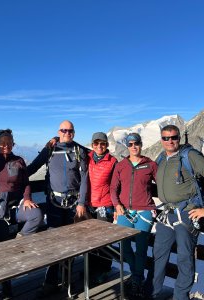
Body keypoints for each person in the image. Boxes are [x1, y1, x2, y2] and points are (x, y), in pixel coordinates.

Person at [27, 120, 88, 297]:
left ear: (74, 133)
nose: (67, 133)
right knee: (53, 242)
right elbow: (33, 167)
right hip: (54, 203)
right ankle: (52, 280)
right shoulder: (50, 148)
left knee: (70, 242)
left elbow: (84, 179)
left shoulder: (79, 151)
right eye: (64, 130)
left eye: (70, 131)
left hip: (73, 205)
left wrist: (82, 203)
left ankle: (66, 279)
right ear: (58, 132)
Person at [0, 129, 43, 298]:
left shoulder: (19, 161)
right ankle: (5, 283)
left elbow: (25, 183)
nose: (6, 146)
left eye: (9, 143)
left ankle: (19, 242)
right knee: (1, 246)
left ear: (13, 144)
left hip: (16, 205)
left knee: (36, 215)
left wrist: (28, 198)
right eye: (2, 143)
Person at [148, 125, 204, 300]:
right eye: (166, 138)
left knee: (185, 259)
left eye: (174, 137)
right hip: (167, 215)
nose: (170, 141)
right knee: (159, 255)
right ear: (161, 139)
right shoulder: (161, 158)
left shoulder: (191, 156)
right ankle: (154, 293)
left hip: (186, 214)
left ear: (179, 138)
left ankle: (180, 297)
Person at [110, 132, 157, 298]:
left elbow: (163, 183)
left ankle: (137, 279)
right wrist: (116, 205)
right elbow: (113, 189)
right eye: (130, 144)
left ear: (141, 144)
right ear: (127, 146)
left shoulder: (150, 164)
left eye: (136, 143)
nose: (133, 146)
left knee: (142, 247)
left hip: (144, 211)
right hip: (124, 211)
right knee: (125, 246)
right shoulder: (121, 165)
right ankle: (136, 275)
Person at [87, 132, 117, 284]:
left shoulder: (113, 161)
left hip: (105, 204)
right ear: (92, 145)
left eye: (103, 143)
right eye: (96, 143)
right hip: (89, 205)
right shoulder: (87, 158)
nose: (99, 146)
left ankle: (104, 270)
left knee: (104, 240)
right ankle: (92, 269)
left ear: (107, 145)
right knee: (91, 240)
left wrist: (117, 205)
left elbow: (117, 184)